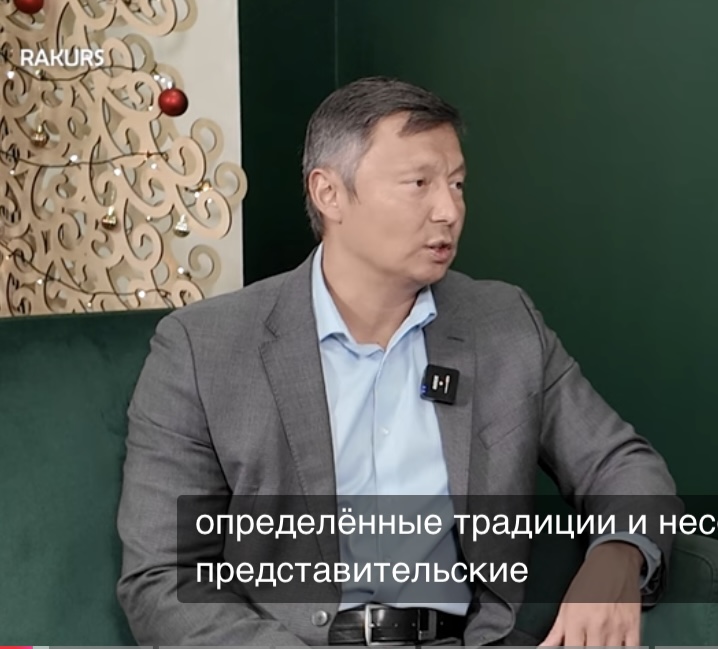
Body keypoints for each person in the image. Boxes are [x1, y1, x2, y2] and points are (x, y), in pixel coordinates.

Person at [117, 76, 681, 647]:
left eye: (457, 184)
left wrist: (618, 556)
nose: (449, 210)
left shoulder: (504, 324)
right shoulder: (202, 348)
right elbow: (163, 580)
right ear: (329, 193)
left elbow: (623, 465)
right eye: (419, 183)